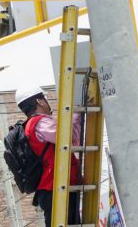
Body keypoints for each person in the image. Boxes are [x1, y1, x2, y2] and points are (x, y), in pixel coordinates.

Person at [15, 85, 82, 227]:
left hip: (58, 188)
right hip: (56, 189)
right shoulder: (39, 123)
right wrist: (78, 111)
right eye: (45, 98)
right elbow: (70, 138)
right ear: (40, 101)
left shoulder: (35, 123)